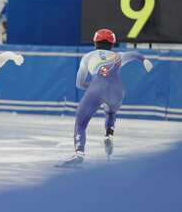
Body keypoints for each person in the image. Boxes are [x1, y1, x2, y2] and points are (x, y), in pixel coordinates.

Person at [61, 28, 153, 166]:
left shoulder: (88, 57)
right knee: (111, 112)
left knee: (81, 123)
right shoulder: (118, 56)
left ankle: (79, 154)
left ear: (95, 43)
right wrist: (144, 60)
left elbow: (79, 83)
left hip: (97, 87)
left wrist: (93, 87)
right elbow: (134, 53)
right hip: (117, 90)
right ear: (112, 44)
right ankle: (109, 134)